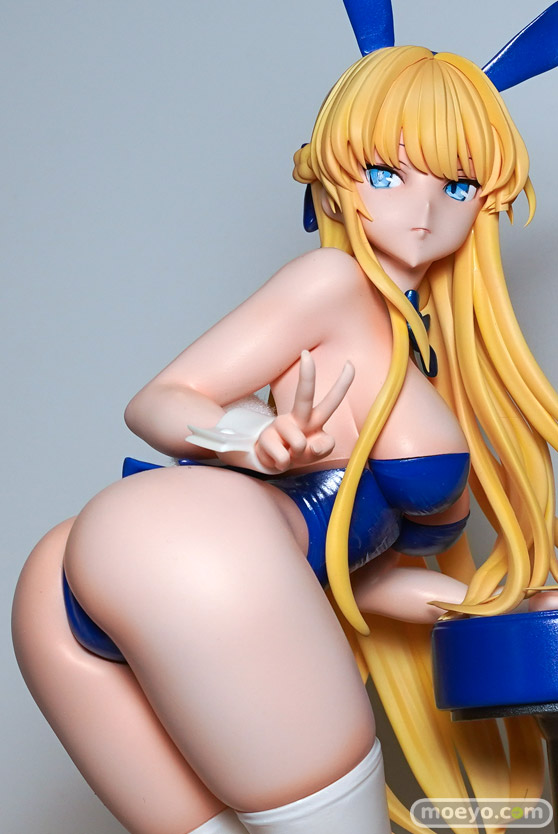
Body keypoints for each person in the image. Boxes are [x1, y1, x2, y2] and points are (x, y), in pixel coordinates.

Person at [12, 44, 558, 834]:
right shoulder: (333, 285)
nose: (423, 210)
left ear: (487, 202)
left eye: (458, 186)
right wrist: (253, 436)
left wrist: (497, 602)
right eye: (385, 174)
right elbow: (158, 401)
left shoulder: (424, 348)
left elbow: (353, 578)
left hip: (100, 578)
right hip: (198, 547)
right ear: (332, 178)